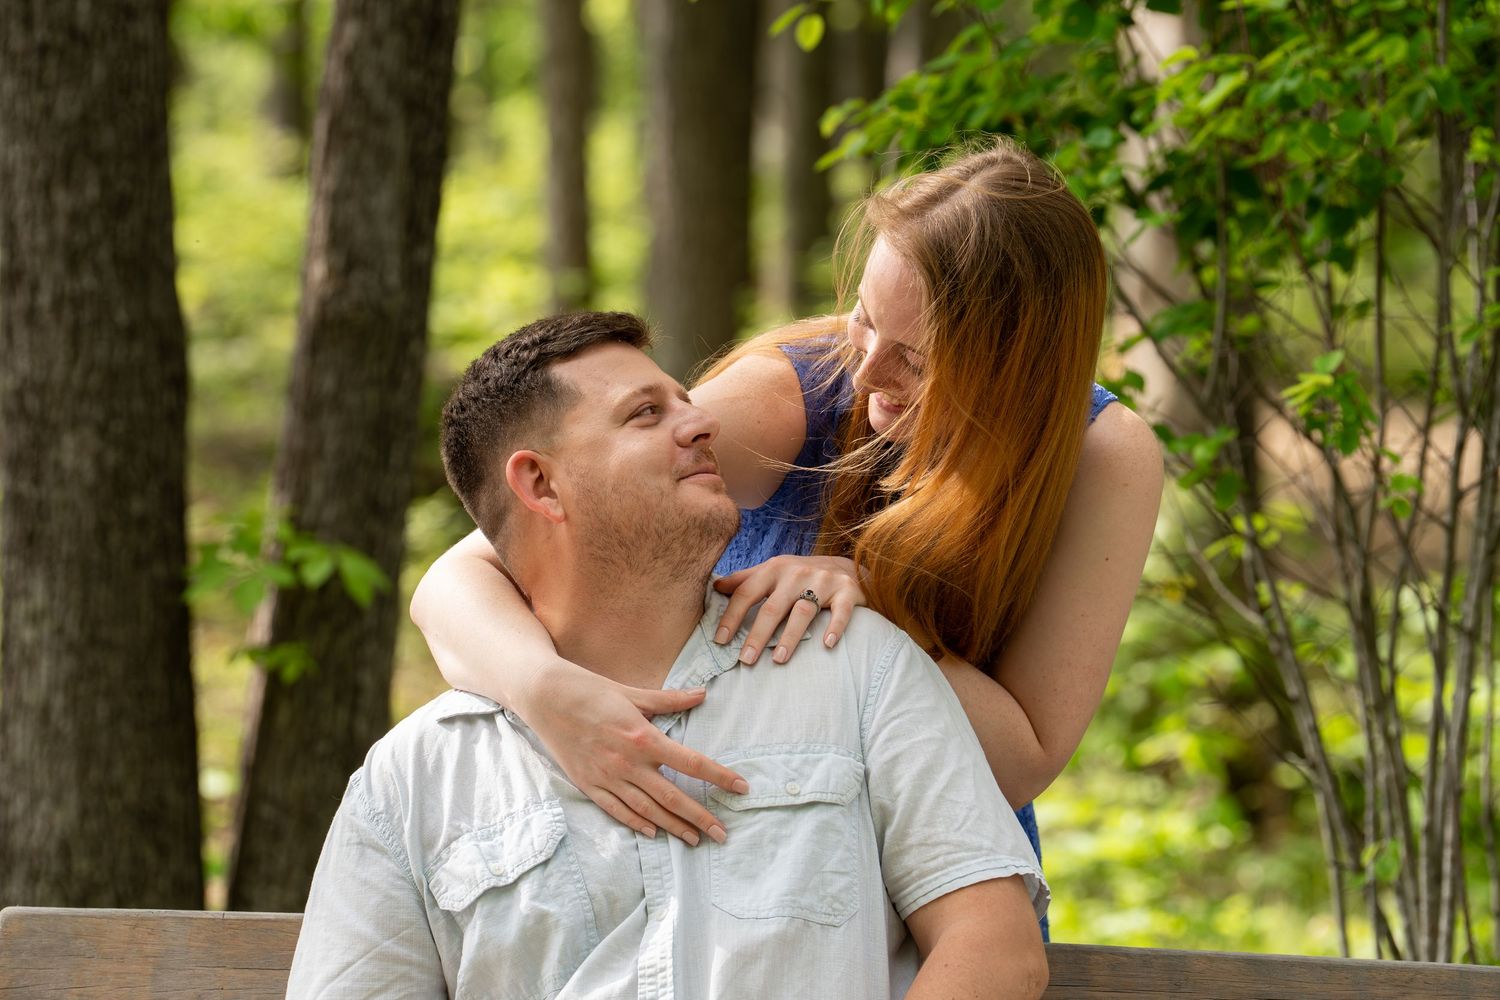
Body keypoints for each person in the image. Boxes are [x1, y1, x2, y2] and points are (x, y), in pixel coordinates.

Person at [410, 141, 1163, 932]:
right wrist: (547, 695)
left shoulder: (1100, 457)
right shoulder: (799, 387)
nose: (867, 374)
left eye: (914, 358)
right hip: (731, 868)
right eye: (863, 320)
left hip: (932, 895)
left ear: (1017, 369)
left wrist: (873, 605)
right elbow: (461, 579)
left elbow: (1021, 761)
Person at [287, 312, 1050, 999]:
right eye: (646, 415)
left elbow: (996, 949)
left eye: (688, 402)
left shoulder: (854, 666)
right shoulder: (417, 777)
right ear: (541, 484)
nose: (701, 426)